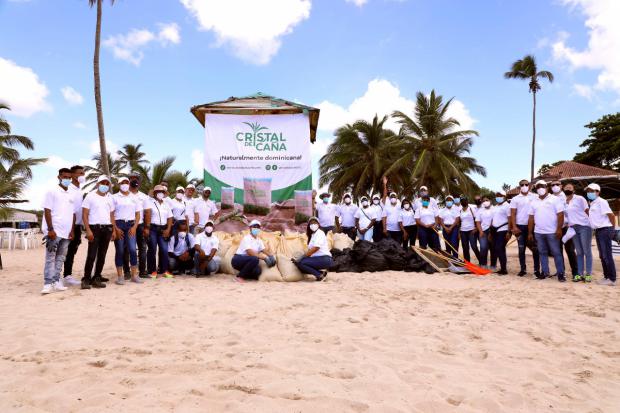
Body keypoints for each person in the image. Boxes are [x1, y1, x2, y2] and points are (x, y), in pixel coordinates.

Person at [40, 168, 75, 294]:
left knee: (60, 258)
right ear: (59, 177)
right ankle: (48, 283)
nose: (67, 179)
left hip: (66, 232)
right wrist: (50, 229)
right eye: (64, 177)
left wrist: (72, 230)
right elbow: (47, 210)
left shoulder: (71, 194)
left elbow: (73, 213)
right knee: (50, 258)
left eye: (69, 177)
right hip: (54, 231)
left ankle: (56, 281)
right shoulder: (52, 191)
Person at [81, 175, 116, 289]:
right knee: (91, 255)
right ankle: (86, 279)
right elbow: (85, 214)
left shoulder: (110, 198)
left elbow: (111, 215)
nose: (105, 185)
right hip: (94, 229)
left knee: (102, 255)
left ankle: (97, 277)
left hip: (107, 229)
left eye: (107, 184)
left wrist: (113, 230)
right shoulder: (90, 196)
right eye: (103, 183)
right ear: (97, 184)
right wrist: (88, 230)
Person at [528, 180, 566, 282]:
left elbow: (560, 214)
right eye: (538, 187)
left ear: (547, 187)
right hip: (538, 232)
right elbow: (531, 218)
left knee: (556, 253)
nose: (540, 188)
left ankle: (561, 273)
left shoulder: (555, 199)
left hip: (552, 232)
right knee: (542, 253)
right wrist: (530, 232)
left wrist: (559, 229)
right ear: (536, 189)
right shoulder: (534, 201)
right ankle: (545, 272)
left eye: (543, 186)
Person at [112, 177, 142, 285]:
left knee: (133, 250)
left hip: (130, 225)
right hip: (119, 224)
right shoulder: (114, 197)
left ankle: (134, 275)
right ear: (119, 184)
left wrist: (134, 227)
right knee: (120, 251)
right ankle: (120, 277)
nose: (125, 184)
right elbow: (111, 214)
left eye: (126, 182)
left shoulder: (134, 197)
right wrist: (115, 228)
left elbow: (138, 214)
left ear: (129, 184)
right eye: (122, 183)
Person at [586, 183, 616, 286]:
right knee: (602, 256)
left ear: (598, 192)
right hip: (598, 231)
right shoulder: (593, 203)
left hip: (605, 230)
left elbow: (611, 215)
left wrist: (612, 229)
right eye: (588, 191)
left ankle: (611, 279)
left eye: (592, 191)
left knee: (606, 255)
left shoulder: (602, 202)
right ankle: (606, 276)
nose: (589, 192)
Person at [510, 179, 541, 277]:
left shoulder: (535, 197)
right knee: (521, 248)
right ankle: (523, 269)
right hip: (520, 227)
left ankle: (537, 270)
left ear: (530, 186)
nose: (524, 186)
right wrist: (514, 227)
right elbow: (513, 214)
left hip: (533, 226)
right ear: (519, 186)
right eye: (522, 185)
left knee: (535, 249)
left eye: (526, 184)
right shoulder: (515, 199)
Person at [61, 165, 85, 286]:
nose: (82, 175)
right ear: (73, 175)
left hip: (77, 225)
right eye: (80, 173)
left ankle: (67, 275)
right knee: (65, 251)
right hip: (69, 225)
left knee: (72, 250)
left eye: (83, 173)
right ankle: (65, 276)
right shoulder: (68, 189)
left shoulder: (79, 190)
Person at [564, 183, 592, 282]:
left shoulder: (580, 199)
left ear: (573, 190)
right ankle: (579, 274)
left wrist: (592, 224)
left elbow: (587, 211)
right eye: (566, 188)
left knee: (586, 251)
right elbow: (566, 216)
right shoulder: (564, 202)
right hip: (573, 229)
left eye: (570, 187)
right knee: (579, 252)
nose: (568, 189)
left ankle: (588, 274)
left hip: (584, 227)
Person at [144, 184, 174, 278]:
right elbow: (147, 215)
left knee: (164, 250)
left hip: (163, 229)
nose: (160, 193)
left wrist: (168, 229)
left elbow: (170, 217)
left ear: (164, 193)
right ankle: (152, 271)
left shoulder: (166, 204)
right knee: (152, 249)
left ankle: (164, 270)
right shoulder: (150, 202)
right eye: (158, 192)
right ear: (155, 193)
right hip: (153, 228)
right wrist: (147, 228)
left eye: (162, 192)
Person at [551, 180, 578, 278]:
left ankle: (575, 272)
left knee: (570, 250)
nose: (555, 186)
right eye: (553, 185)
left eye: (557, 184)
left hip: (566, 227)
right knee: (557, 251)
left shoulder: (566, 197)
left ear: (561, 186)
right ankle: (560, 271)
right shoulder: (550, 198)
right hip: (555, 228)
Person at [293, 217, 332, 281]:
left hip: (324, 259)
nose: (313, 225)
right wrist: (298, 258)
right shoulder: (313, 235)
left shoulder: (320, 233)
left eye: (315, 223)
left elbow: (316, 248)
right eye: (311, 224)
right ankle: (321, 273)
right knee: (298, 264)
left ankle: (319, 276)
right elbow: (310, 250)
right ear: (309, 226)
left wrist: (303, 257)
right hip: (317, 259)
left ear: (318, 224)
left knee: (301, 263)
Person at [126, 171, 149, 278]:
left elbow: (147, 212)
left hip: (140, 225)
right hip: (127, 225)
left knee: (142, 248)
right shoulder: (124, 194)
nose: (134, 180)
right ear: (128, 180)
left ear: (139, 181)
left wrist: (146, 227)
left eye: (136, 178)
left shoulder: (144, 196)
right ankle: (126, 271)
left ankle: (143, 271)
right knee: (127, 249)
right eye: (132, 178)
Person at [490, 190, 511, 275]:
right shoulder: (495, 207)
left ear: (504, 196)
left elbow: (510, 219)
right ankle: (502, 268)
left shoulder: (507, 206)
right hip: (494, 229)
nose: (498, 197)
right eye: (497, 195)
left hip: (503, 229)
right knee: (497, 248)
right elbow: (493, 219)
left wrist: (509, 232)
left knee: (499, 248)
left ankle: (504, 269)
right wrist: (491, 232)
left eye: (500, 195)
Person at [458, 196, 480, 263]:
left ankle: (482, 261)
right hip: (463, 231)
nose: (463, 202)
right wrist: (459, 232)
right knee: (465, 248)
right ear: (460, 202)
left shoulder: (472, 209)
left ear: (467, 201)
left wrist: (476, 228)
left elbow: (477, 219)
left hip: (471, 231)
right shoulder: (460, 211)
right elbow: (459, 222)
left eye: (464, 200)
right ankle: (467, 263)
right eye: (462, 201)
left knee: (474, 247)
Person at [475, 196, 495, 269]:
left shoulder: (494, 209)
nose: (485, 202)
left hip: (492, 231)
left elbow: (495, 219)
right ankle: (483, 264)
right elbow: (477, 222)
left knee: (493, 248)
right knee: (483, 247)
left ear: (490, 201)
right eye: (484, 201)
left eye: (487, 200)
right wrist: (480, 231)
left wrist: (491, 229)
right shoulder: (480, 210)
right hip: (483, 231)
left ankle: (493, 265)